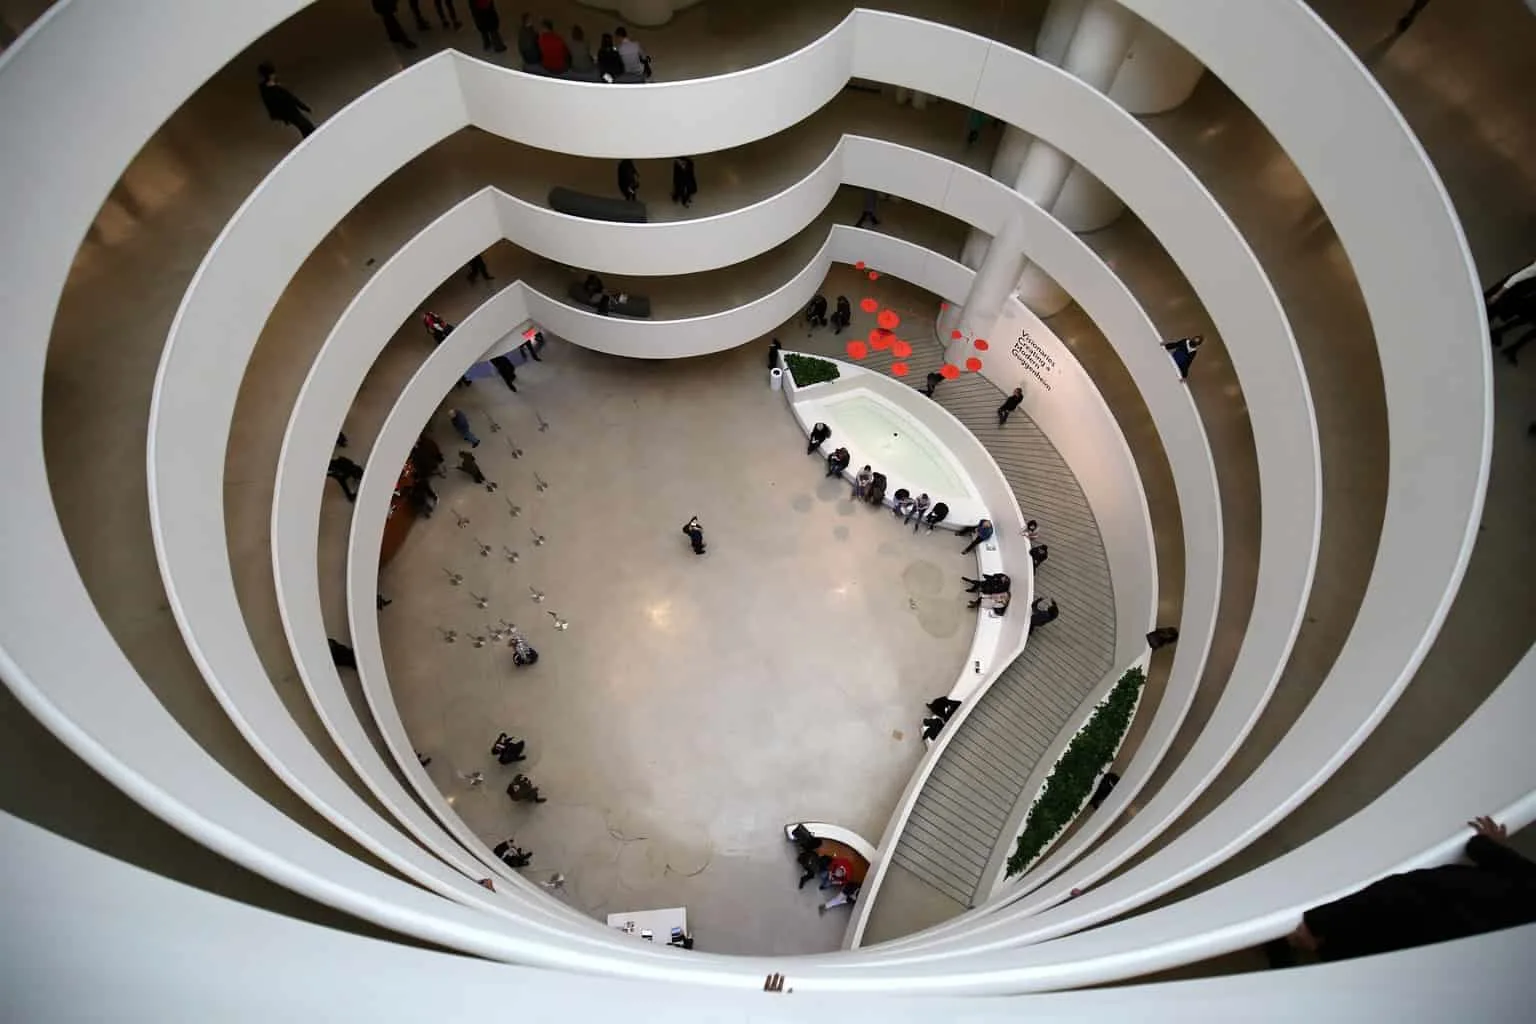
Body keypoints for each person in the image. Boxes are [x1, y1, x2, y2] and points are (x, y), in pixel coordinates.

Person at [1278, 815, 1536, 965]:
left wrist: (1318, 921)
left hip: (1415, 904)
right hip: (1426, 950)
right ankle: (1309, 942)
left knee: (1376, 913)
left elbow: (1481, 850)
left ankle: (1305, 937)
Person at [257, 63, 315, 139]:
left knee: (306, 128)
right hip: (289, 112)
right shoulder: (270, 88)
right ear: (269, 75)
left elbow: (289, 97)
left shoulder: (268, 86)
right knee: (307, 127)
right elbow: (289, 97)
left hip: (291, 110)